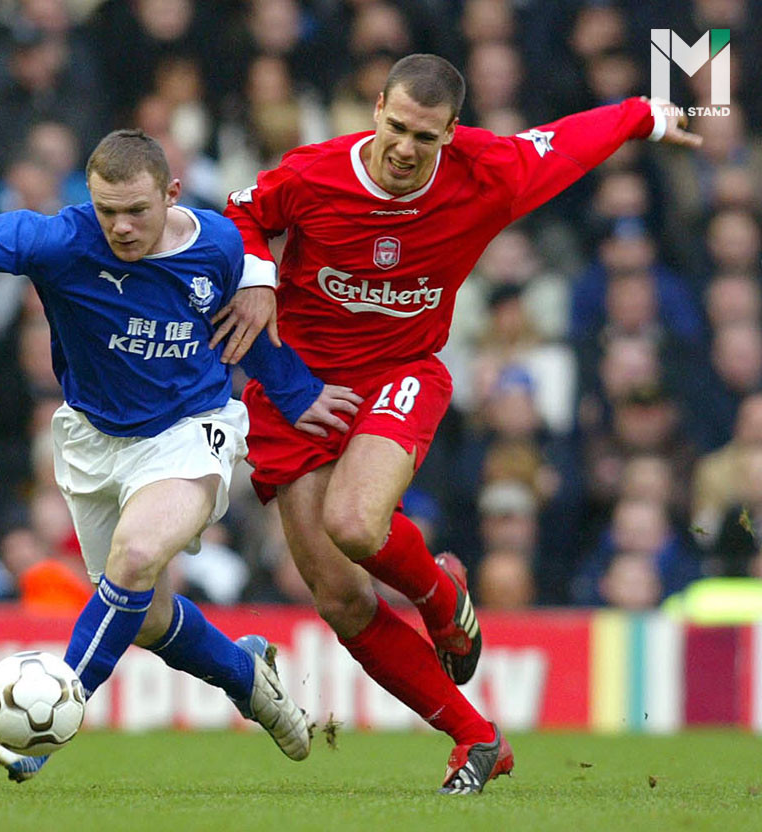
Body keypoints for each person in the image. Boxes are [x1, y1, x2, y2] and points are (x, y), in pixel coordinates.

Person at [220, 53, 701, 794]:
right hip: (301, 389)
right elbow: (241, 213)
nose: (406, 148)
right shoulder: (314, 173)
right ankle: (478, 739)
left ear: (451, 133)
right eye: (397, 126)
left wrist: (643, 114)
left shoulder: (488, 173)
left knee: (355, 523)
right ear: (377, 110)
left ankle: (442, 599)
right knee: (340, 598)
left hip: (400, 372)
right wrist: (257, 279)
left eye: (426, 136)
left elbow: (566, 143)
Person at [0, 128, 361, 780]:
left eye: (136, 210)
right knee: (147, 617)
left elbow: (246, 329)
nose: (122, 227)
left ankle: (49, 718)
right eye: (107, 210)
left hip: (192, 429)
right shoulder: (60, 241)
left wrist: (297, 392)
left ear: (172, 193)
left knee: (134, 557)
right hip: (92, 441)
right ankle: (247, 677)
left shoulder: (217, 244)